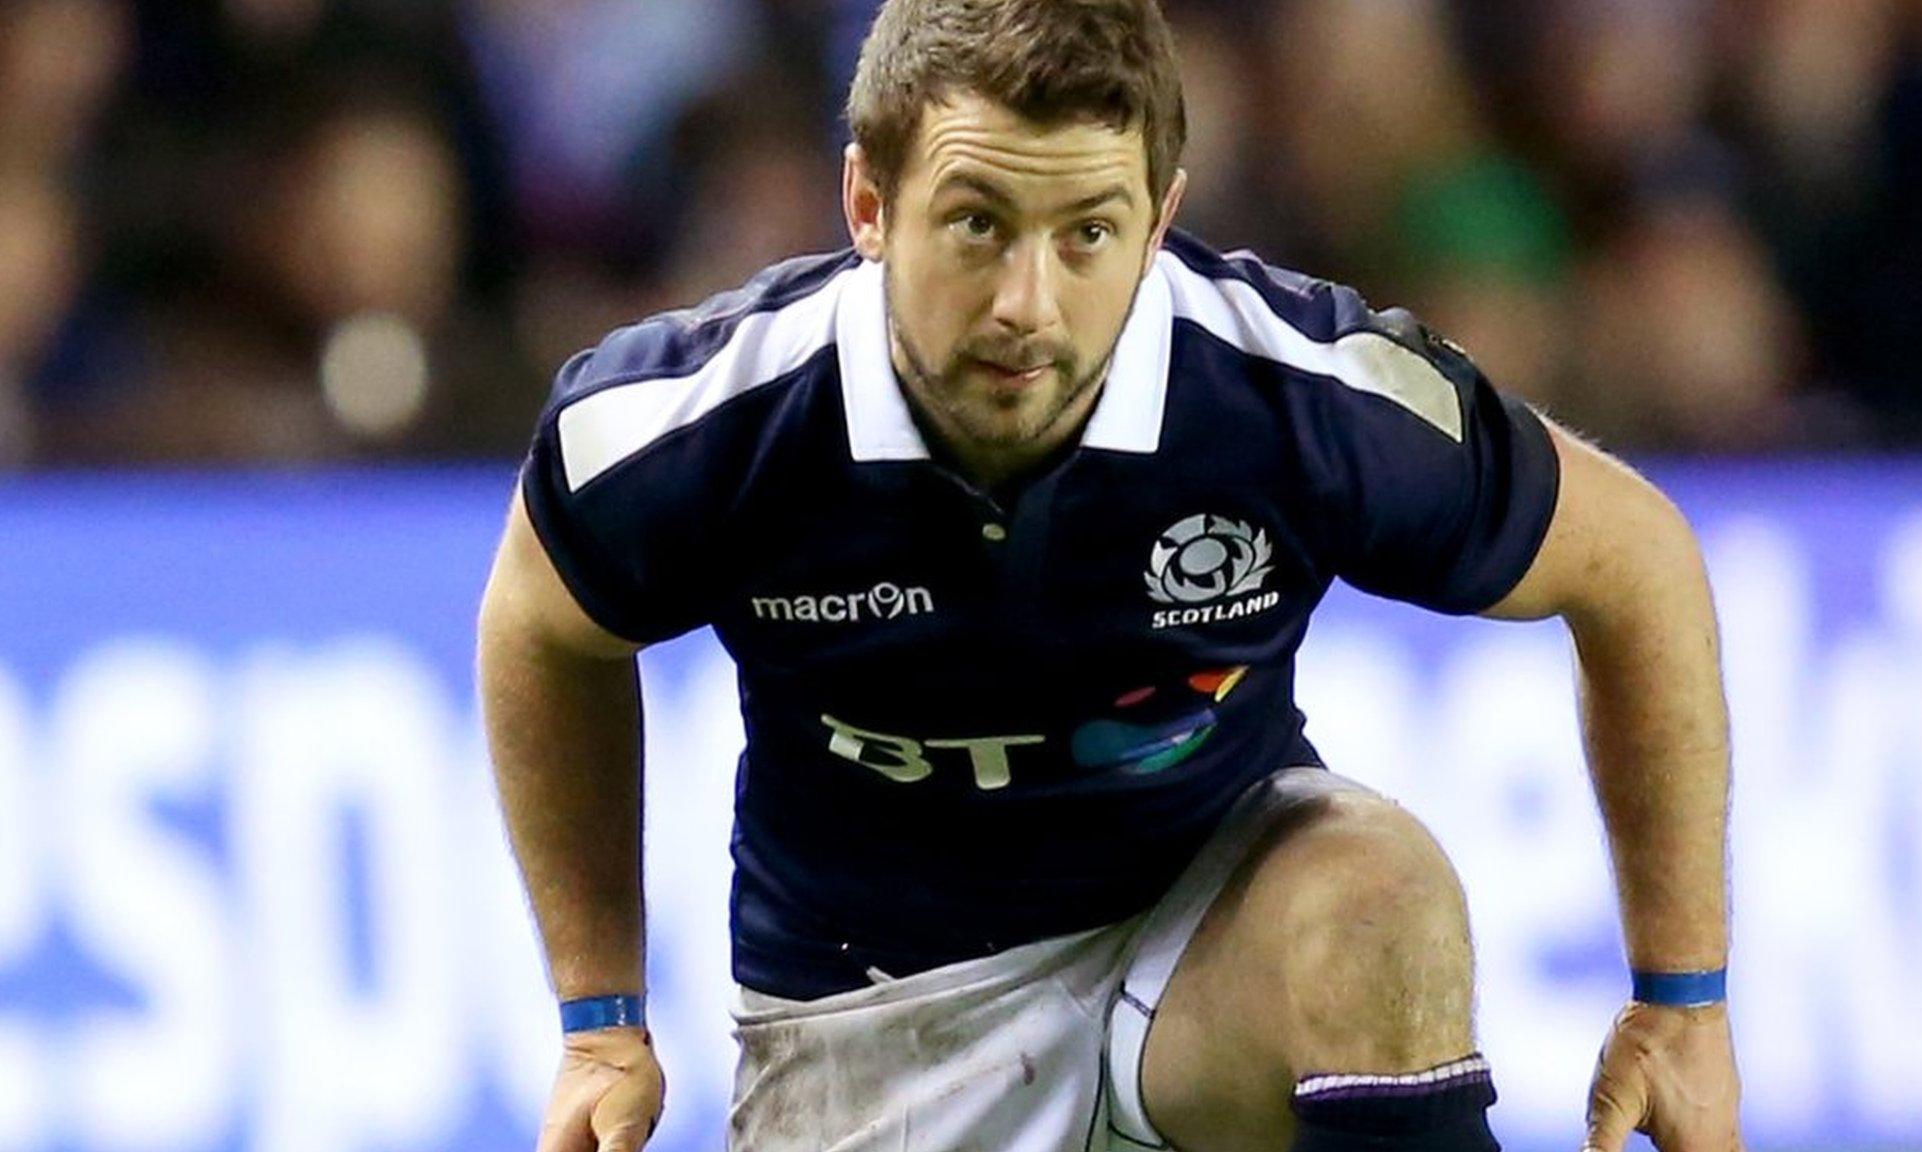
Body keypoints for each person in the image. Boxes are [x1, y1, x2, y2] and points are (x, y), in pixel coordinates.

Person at [476, 1, 1744, 1149]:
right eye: (976, 224)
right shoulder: (703, 422)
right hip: (870, 1031)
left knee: (1377, 899)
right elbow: (541, 625)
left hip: (1201, 963)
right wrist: (599, 1014)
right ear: (866, 204)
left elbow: (1633, 561)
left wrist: (1680, 1002)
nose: (1029, 304)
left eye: (1089, 233)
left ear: (1161, 217)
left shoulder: (1292, 397)